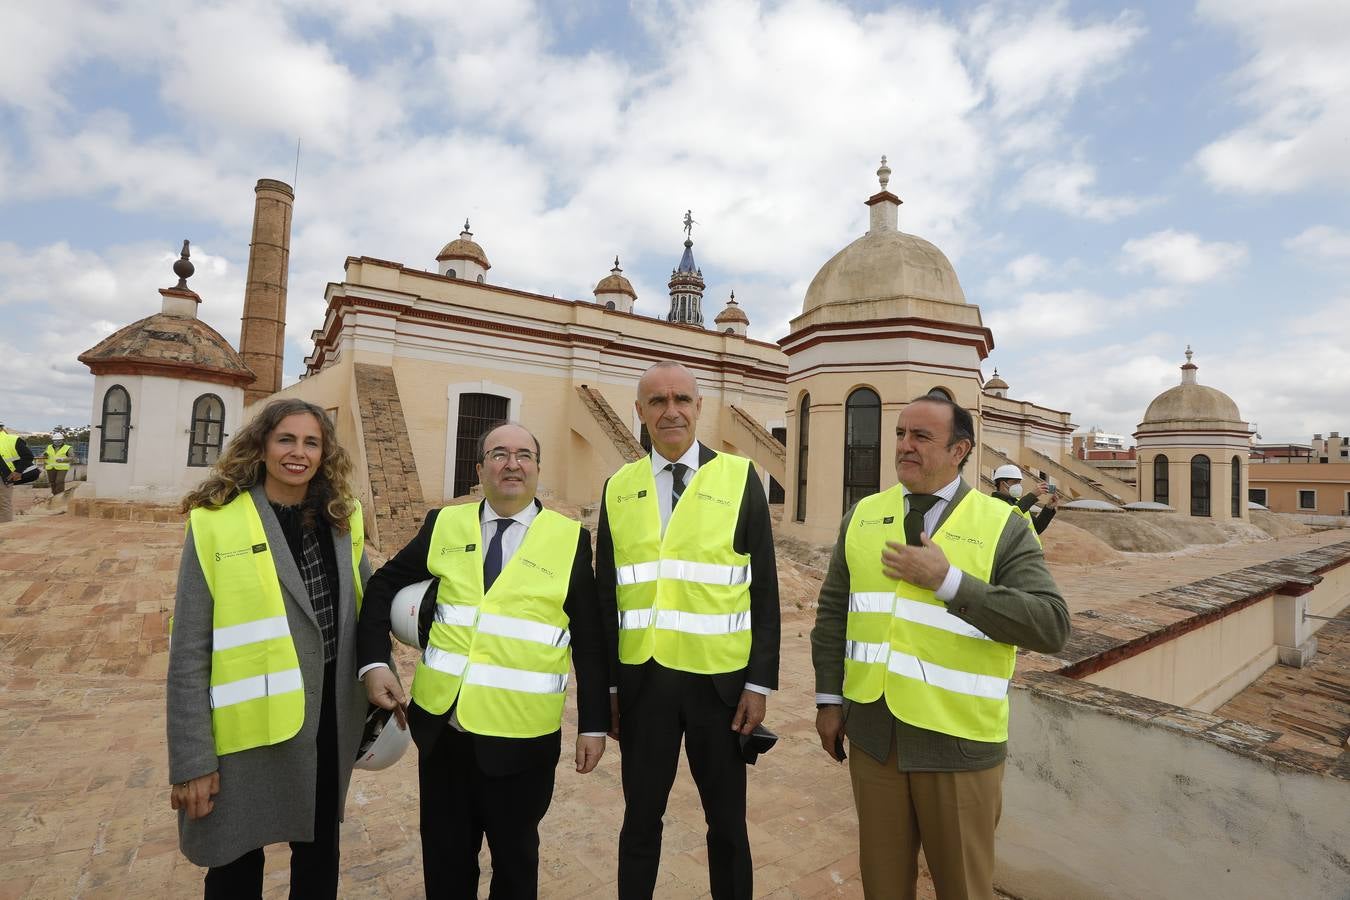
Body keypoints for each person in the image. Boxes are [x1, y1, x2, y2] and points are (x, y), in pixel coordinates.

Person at [811, 394, 1069, 900]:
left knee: (963, 888)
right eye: (901, 435)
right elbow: (833, 614)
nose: (905, 446)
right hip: (874, 737)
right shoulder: (862, 515)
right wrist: (827, 699)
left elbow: (1050, 624)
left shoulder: (1002, 525)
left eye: (921, 437)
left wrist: (951, 582)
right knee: (883, 886)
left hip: (957, 743)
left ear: (960, 450)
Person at [357, 421, 608, 899]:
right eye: (498, 454)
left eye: (523, 455)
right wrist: (374, 662)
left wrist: (592, 725)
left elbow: (590, 642)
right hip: (442, 736)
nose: (511, 464)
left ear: (537, 468)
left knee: (515, 869)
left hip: (522, 742)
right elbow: (383, 585)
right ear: (479, 469)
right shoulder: (443, 525)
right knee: (446, 866)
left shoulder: (570, 540)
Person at [166, 398, 371, 898]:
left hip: (325, 719)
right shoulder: (217, 522)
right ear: (261, 446)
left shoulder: (343, 518)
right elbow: (190, 648)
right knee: (234, 864)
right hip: (245, 729)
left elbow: (364, 611)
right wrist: (193, 759)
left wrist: (378, 665)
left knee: (319, 856)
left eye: (311, 442)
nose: (297, 453)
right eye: (286, 439)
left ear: (324, 454)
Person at [598, 361, 780, 900]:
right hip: (644, 686)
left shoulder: (741, 477)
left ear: (700, 407)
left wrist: (759, 684)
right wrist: (609, 688)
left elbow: (763, 588)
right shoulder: (618, 488)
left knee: (727, 826)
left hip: (720, 689)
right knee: (639, 824)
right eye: (657, 401)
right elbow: (608, 598)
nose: (670, 410)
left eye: (682, 399)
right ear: (639, 411)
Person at [990, 464, 1058, 535]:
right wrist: (1032, 495)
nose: (1018, 485)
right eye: (1015, 482)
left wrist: (1048, 508)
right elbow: (1011, 516)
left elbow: (1037, 528)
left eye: (1019, 482)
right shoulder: (993, 503)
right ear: (1003, 484)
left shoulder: (1018, 502)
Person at [1, 420, 40, 524]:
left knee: (3, 504)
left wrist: (18, 471)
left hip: (3, 477)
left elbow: (28, 456)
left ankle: (4, 531)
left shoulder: (12, 440)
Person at [44, 431, 73, 496]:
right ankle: (55, 495)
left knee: (59, 481)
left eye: (59, 440)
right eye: (55, 440)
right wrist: (44, 455)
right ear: (53, 441)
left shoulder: (68, 448)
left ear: (62, 440)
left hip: (62, 467)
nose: (57, 442)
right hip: (50, 467)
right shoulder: (49, 447)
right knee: (52, 482)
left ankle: (60, 496)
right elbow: (45, 454)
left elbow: (72, 458)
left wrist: (63, 459)